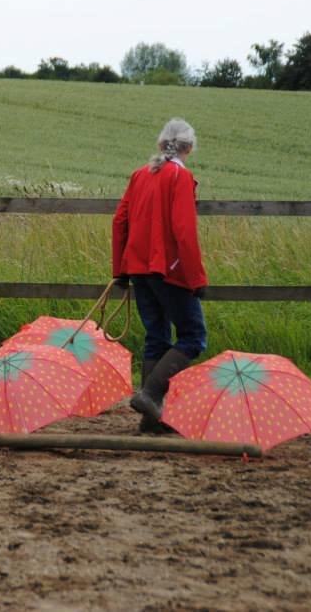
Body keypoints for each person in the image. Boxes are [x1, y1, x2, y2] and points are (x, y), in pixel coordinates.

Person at [111, 118, 208, 433]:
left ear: (161, 144)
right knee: (193, 336)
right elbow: (183, 230)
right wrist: (196, 278)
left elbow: (120, 220)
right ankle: (151, 395)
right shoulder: (180, 176)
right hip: (168, 269)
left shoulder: (141, 174)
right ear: (188, 148)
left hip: (138, 269)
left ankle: (151, 419)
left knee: (156, 338)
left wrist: (121, 270)